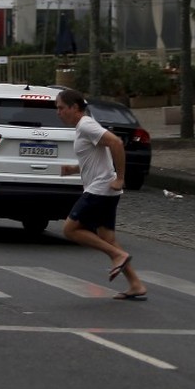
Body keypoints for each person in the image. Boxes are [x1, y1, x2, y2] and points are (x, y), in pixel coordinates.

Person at [56, 88, 147, 301]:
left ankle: (118, 256)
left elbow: (115, 142)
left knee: (70, 230)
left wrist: (120, 178)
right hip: (105, 189)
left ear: (74, 107)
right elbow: (95, 158)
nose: (58, 113)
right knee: (108, 239)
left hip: (100, 189)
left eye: (61, 108)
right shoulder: (84, 127)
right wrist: (74, 169)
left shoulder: (86, 125)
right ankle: (135, 284)